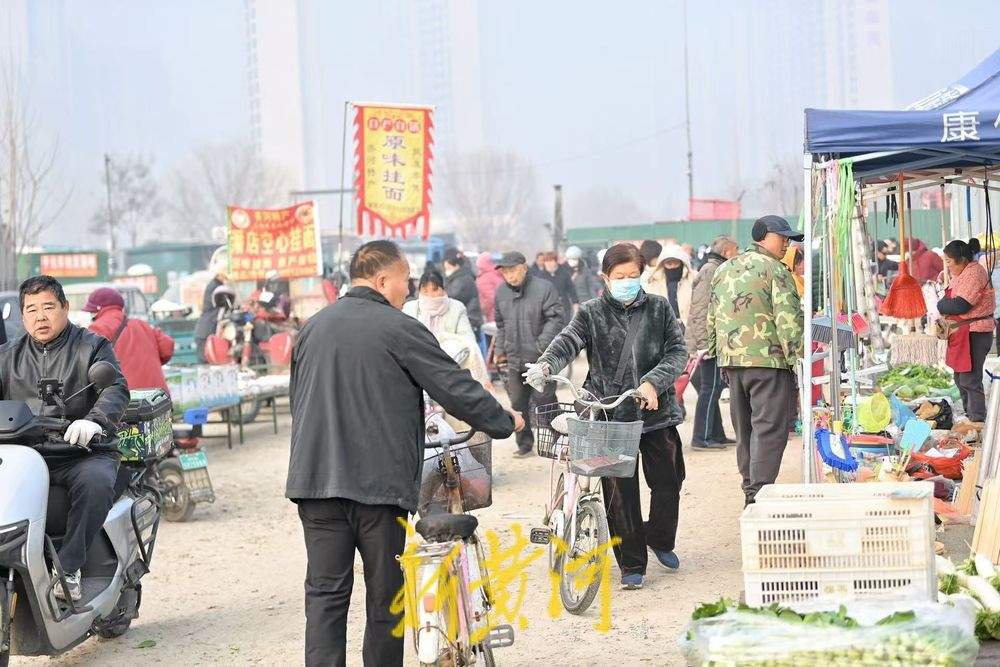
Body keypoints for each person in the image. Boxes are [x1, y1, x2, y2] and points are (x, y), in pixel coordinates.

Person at [285, 241, 523, 667]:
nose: (407, 290)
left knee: (324, 597)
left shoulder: (312, 329)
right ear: (381, 279)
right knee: (385, 600)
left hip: (315, 484)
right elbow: (453, 385)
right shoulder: (399, 328)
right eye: (404, 281)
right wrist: (504, 421)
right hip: (378, 488)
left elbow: (299, 403)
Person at [527, 243, 689, 590]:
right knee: (619, 491)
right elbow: (567, 342)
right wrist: (545, 365)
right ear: (606, 277)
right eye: (620, 277)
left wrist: (653, 382)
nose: (628, 281)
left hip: (655, 413)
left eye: (633, 276)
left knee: (668, 482)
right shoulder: (590, 312)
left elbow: (677, 351)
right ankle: (632, 562)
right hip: (609, 413)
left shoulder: (659, 308)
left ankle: (659, 538)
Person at [0, 275, 129, 601]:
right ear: (22, 314)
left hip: (82, 452)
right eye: (31, 310)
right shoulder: (8, 356)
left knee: (96, 482)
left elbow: (115, 388)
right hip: (26, 455)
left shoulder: (92, 346)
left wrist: (94, 421)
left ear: (65, 308)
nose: (40, 317)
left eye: (48, 307)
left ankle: (69, 568)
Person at [708, 215, 803, 505]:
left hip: (733, 362)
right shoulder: (776, 270)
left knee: (745, 428)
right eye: (782, 236)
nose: (786, 242)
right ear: (763, 236)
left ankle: (750, 485)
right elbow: (787, 319)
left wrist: (718, 356)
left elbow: (712, 318)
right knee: (769, 427)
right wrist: (795, 358)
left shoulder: (724, 269)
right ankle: (758, 493)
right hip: (768, 362)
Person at [493, 251, 564, 456]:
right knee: (517, 403)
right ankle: (524, 444)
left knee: (545, 401)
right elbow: (500, 325)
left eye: (513, 270)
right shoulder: (501, 293)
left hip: (540, 360)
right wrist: (500, 350)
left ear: (524, 267)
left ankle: (561, 440)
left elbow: (556, 319)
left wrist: (541, 346)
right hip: (514, 359)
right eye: (505, 272)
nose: (510, 276)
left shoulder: (544, 288)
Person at [686, 235, 738, 450]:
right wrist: (703, 344)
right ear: (727, 252)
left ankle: (715, 434)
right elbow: (700, 310)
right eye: (736, 250)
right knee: (710, 388)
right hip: (708, 342)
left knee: (714, 387)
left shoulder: (717, 269)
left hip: (713, 340)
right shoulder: (711, 271)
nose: (739, 254)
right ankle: (702, 437)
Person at [938, 238, 995, 422]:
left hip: (975, 333)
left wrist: (942, 304)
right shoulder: (962, 273)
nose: (947, 266)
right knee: (959, 378)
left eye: (948, 261)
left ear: (961, 260)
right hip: (961, 334)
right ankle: (967, 416)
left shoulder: (975, 273)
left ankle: (977, 420)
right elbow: (950, 302)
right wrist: (944, 304)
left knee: (970, 380)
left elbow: (961, 305)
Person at [85, 287, 175, 392]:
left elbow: (87, 365)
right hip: (157, 396)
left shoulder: (96, 329)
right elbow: (167, 346)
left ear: (97, 310)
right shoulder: (142, 325)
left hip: (124, 398)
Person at [403, 269, 477, 344]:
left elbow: (469, 339)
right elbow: (404, 336)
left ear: (443, 290)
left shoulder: (457, 308)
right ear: (419, 293)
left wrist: (444, 337)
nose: (430, 295)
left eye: (435, 290)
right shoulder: (410, 308)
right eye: (425, 291)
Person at [642, 244, 693, 323]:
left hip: (688, 328)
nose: (672, 267)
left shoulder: (692, 281)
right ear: (663, 265)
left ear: (682, 264)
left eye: (676, 263)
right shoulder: (653, 284)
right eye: (669, 264)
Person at [194, 250, 229, 362]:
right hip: (206, 330)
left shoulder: (218, 285)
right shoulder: (216, 287)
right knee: (205, 362)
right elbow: (223, 304)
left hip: (207, 330)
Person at [442, 247, 483, 335]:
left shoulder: (464, 279)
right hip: (462, 321)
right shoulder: (458, 277)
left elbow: (451, 298)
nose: (444, 267)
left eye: (446, 264)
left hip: (468, 322)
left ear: (455, 265)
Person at [538, 251, 578, 324]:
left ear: (556, 261)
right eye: (547, 261)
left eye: (551, 261)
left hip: (563, 306)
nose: (549, 264)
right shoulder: (540, 276)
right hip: (547, 308)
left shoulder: (564, 273)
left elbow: (571, 290)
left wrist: (575, 305)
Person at [475, 252, 504, 325]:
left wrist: (484, 311)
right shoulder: (498, 274)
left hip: (492, 315)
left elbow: (490, 299)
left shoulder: (484, 278)